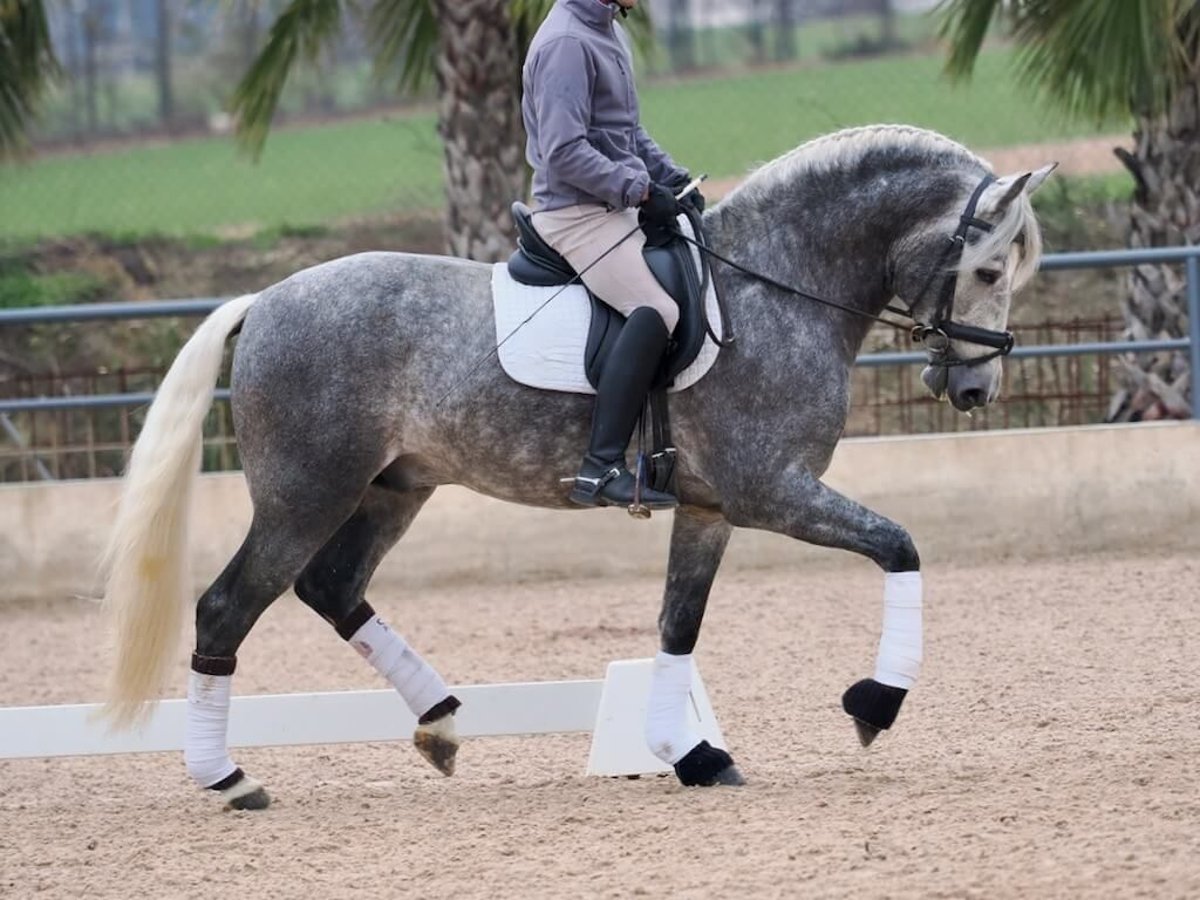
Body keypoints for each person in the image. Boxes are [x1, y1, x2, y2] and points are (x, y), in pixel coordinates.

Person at [522, 0, 703, 510]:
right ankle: (599, 467)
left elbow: (625, 135)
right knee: (657, 309)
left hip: (610, 205)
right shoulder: (567, 43)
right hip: (577, 215)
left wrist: (672, 179)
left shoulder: (601, 30)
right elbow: (564, 151)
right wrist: (640, 191)